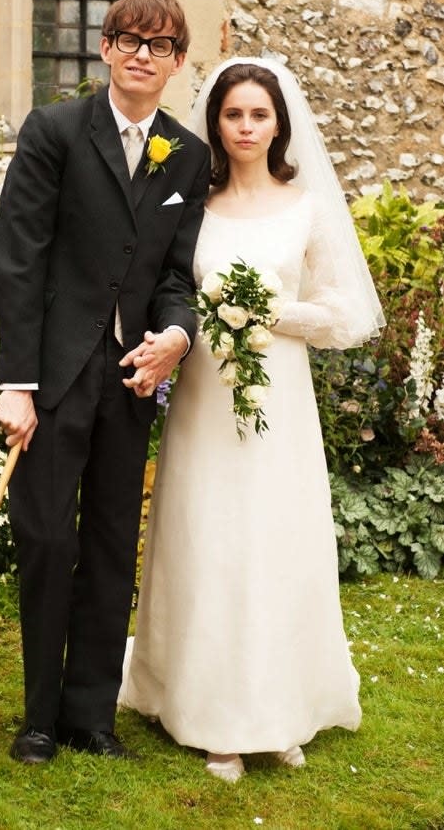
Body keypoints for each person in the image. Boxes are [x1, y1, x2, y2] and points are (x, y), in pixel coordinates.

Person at [118, 57, 385, 782]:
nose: (243, 127)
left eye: (257, 115)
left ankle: (281, 706)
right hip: (204, 399)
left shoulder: (306, 207)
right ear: (215, 122)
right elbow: (162, 286)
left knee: (274, 543)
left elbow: (347, 315)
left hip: (280, 406)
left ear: (278, 123)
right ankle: (214, 715)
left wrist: (267, 314)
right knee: (208, 539)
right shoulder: (191, 203)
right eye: (232, 115)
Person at [0, 0, 211, 765]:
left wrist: (176, 337)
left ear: (179, 60)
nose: (142, 54)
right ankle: (39, 718)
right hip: (52, 375)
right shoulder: (54, 131)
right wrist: (14, 382)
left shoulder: (187, 154)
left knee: (114, 540)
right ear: (106, 49)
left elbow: (177, 273)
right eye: (128, 39)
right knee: (48, 537)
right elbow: (17, 259)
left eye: (159, 44)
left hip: (130, 379)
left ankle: (90, 715)